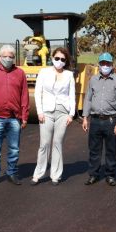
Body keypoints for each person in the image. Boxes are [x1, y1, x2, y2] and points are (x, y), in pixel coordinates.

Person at [0, 44, 29, 187]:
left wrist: (25, 116)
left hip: (14, 118)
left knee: (14, 148)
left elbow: (24, 95)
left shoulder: (20, 73)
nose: (8, 59)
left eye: (11, 56)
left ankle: (11, 172)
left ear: (14, 58)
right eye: (5, 56)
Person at [31, 47, 75, 186]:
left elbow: (72, 95)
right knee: (44, 144)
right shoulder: (44, 72)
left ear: (65, 61)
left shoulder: (69, 75)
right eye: (57, 58)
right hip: (46, 112)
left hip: (63, 112)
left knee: (57, 143)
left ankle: (55, 175)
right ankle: (38, 174)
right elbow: (38, 93)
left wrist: (71, 114)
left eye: (63, 59)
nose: (59, 61)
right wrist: (39, 112)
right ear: (52, 58)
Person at [82, 52, 116, 186]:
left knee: (110, 150)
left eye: (108, 63)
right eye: (103, 63)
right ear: (99, 64)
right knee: (94, 149)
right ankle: (93, 174)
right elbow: (88, 99)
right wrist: (85, 117)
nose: (105, 66)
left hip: (111, 120)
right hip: (95, 120)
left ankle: (110, 175)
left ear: (112, 65)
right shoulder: (93, 80)